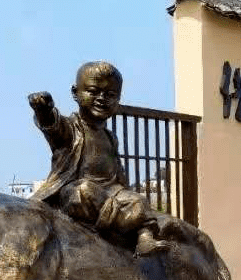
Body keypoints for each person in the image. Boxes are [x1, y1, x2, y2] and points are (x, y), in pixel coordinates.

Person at [28, 61, 171, 256]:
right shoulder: (71, 129)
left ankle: (144, 238)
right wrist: (44, 111)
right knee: (83, 191)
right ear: (75, 93)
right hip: (79, 192)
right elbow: (54, 127)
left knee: (139, 201)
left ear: (118, 99)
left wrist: (127, 194)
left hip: (111, 193)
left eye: (110, 95)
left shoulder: (110, 137)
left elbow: (118, 172)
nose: (101, 99)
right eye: (93, 91)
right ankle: (120, 225)